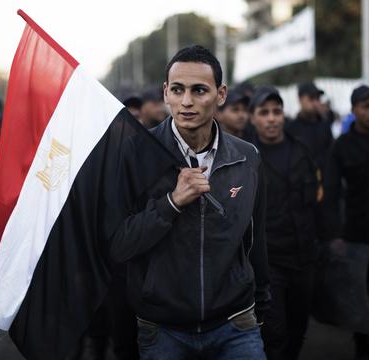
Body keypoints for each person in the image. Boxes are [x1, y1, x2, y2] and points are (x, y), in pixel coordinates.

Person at [110, 45, 270, 359]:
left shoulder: (246, 156)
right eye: (178, 90)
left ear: (220, 94)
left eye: (199, 90)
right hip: (164, 327)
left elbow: (255, 237)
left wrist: (260, 305)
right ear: (165, 92)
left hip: (236, 322)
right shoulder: (136, 154)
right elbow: (118, 244)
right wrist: (171, 202)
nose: (186, 102)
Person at [247, 86, 319, 360]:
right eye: (264, 112)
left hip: (303, 257)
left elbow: (316, 202)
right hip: (268, 262)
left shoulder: (301, 150)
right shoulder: (246, 156)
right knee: (274, 333)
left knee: (298, 328)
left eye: (277, 111)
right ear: (253, 118)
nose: (272, 118)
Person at [324, 85, 369, 360]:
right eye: (366, 107)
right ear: (354, 110)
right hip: (357, 229)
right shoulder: (343, 146)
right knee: (359, 290)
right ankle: (362, 344)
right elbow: (332, 192)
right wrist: (334, 233)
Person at [286, 81, 334, 175]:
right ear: (300, 99)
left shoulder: (324, 125)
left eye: (318, 98)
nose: (316, 103)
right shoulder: (291, 128)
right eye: (311, 98)